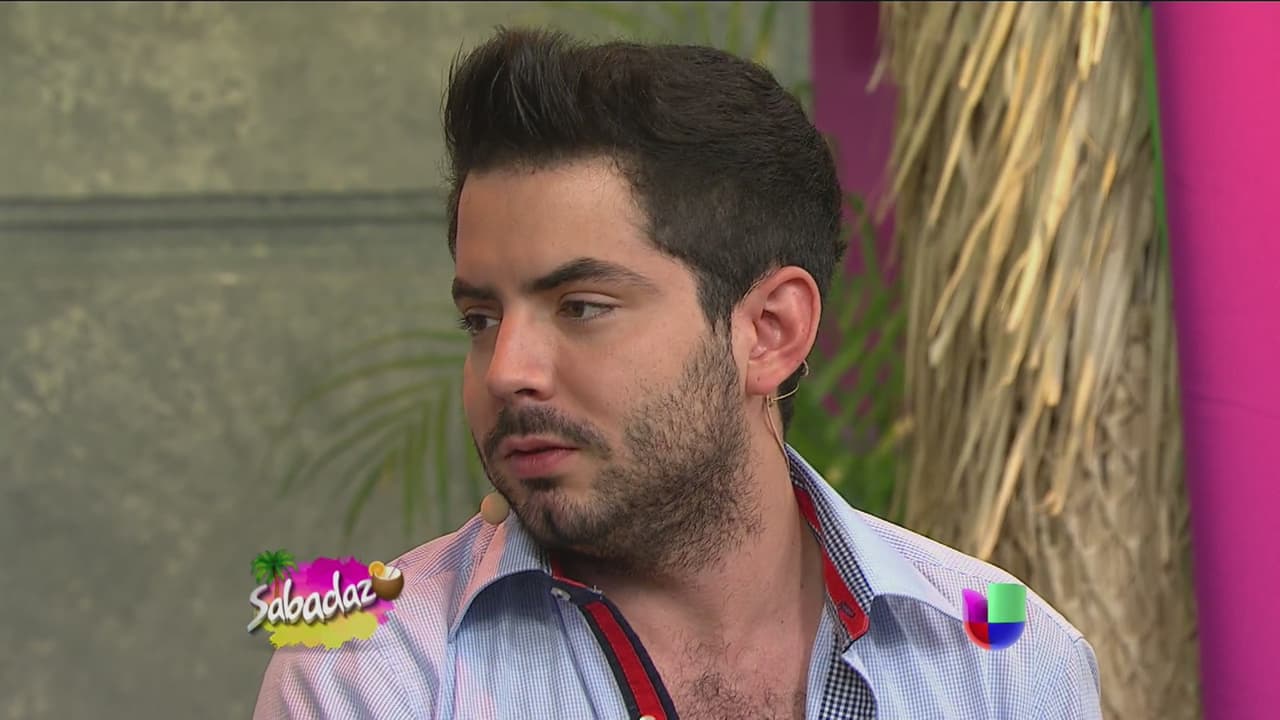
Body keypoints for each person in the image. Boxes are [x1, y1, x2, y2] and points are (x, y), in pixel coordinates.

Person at [254, 26, 1102, 720]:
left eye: (581, 307)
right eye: (481, 319)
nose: (505, 371)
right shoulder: (373, 675)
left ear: (770, 331)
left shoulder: (1002, 658)